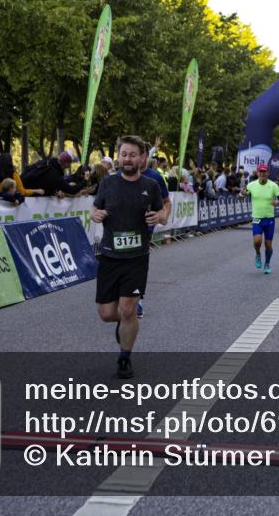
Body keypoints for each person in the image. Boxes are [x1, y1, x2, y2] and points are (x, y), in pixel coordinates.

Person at [91, 135, 168, 379]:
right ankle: (126, 322)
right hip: (110, 256)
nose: (127, 159)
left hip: (137, 257)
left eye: (132, 155)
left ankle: (124, 357)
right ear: (118, 156)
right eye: (123, 154)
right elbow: (95, 207)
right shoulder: (108, 183)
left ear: (142, 158)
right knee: (106, 313)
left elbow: (163, 211)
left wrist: (160, 217)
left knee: (127, 307)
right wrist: (95, 214)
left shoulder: (151, 185)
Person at [136, 146, 170, 318]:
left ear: (144, 157)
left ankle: (138, 299)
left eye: (138, 155)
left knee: (139, 262)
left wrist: (161, 215)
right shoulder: (116, 177)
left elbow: (167, 202)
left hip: (144, 228)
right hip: (120, 230)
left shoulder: (155, 177)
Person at [241, 163, 279, 274]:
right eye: (261, 171)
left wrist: (277, 203)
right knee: (257, 240)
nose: (262, 173)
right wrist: (241, 194)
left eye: (264, 171)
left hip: (269, 219)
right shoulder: (251, 185)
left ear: (268, 173)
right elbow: (241, 196)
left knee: (268, 244)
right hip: (257, 218)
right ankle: (258, 254)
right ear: (257, 173)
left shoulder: (274, 186)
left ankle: (267, 263)